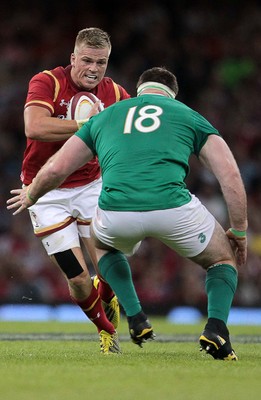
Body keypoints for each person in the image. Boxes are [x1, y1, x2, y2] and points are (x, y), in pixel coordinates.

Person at [7, 67, 248, 360]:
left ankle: (135, 315)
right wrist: (238, 230)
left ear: (139, 90)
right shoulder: (188, 114)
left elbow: (57, 168)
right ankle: (217, 328)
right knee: (222, 259)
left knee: (102, 248)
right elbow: (230, 176)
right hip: (172, 206)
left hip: (117, 210)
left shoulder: (108, 115)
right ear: (172, 93)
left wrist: (31, 193)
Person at [16, 27, 131, 354]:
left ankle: (108, 299)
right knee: (79, 280)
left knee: (110, 267)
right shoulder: (47, 82)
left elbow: (134, 129)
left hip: (92, 187)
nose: (93, 69)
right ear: (72, 59)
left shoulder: (118, 95)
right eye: (86, 60)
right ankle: (106, 331)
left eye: (101, 62)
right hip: (45, 190)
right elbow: (34, 126)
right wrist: (88, 127)